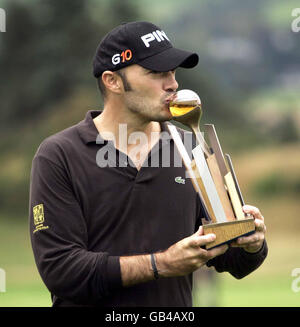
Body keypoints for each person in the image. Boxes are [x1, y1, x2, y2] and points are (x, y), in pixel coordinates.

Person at [29, 21, 267, 307]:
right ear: (112, 81)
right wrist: (161, 264)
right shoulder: (59, 155)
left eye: (172, 71)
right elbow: (61, 270)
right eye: (156, 73)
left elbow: (232, 258)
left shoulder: (191, 147)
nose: (173, 84)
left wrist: (252, 244)